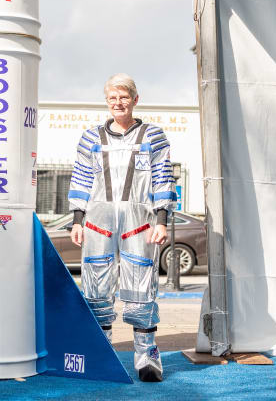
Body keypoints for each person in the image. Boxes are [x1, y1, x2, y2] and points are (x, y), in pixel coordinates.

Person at [68, 74, 176, 382]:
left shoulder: (153, 136)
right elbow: (81, 179)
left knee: (141, 280)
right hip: (98, 218)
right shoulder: (90, 138)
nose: (119, 102)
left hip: (139, 217)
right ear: (107, 101)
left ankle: (146, 353)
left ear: (135, 100)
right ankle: (102, 351)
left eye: (124, 97)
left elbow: (163, 178)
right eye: (113, 98)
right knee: (96, 281)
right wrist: (78, 221)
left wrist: (163, 220)